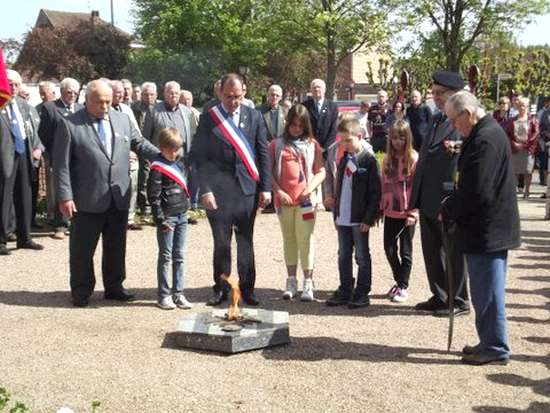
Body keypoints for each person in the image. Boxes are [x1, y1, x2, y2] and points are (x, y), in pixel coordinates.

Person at [53, 79, 159, 307]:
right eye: (99, 102)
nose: (104, 107)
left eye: (108, 102)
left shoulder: (122, 119)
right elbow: (61, 165)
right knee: (82, 249)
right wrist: (65, 196)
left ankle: (114, 286)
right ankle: (81, 290)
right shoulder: (70, 124)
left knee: (116, 247)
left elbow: (139, 143)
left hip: (117, 196)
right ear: (86, 100)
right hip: (86, 198)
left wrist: (162, 156)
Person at [441, 90, 520, 365]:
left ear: (468, 113)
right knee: (484, 290)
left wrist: (451, 207)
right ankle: (489, 340)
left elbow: (478, 190)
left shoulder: (485, 139)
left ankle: (495, 347)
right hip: (485, 227)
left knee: (488, 292)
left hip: (488, 230)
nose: (453, 126)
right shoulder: (484, 133)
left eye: (454, 120)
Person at [190, 73, 271, 306]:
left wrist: (266, 187)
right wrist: (205, 190)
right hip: (218, 192)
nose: (233, 101)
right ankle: (221, 288)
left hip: (247, 190)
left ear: (244, 92)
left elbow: (262, 153)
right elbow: (198, 157)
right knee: (222, 243)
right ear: (220, 93)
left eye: (237, 96)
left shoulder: (254, 116)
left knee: (245, 241)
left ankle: (247, 289)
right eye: (228, 96)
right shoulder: (209, 118)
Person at [409, 70, 470, 317]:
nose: (435, 97)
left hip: (448, 195)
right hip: (428, 195)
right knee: (432, 249)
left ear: (454, 93)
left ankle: (459, 299)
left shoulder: (463, 121)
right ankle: (440, 295)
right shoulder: (435, 119)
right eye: (433, 93)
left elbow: (462, 160)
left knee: (453, 249)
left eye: (440, 93)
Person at [269, 104, 325, 301]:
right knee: (289, 239)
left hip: (306, 202)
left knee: (306, 239)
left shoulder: (313, 145)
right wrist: (278, 191)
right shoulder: (276, 145)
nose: (296, 129)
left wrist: (309, 190)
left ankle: (308, 282)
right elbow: (268, 172)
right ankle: (291, 281)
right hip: (284, 201)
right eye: (293, 125)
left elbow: (321, 171)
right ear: (287, 124)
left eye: (301, 126)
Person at [324, 116, 381, 308]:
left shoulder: (368, 160)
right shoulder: (344, 159)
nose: (344, 144)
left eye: (348, 140)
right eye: (342, 140)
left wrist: (369, 218)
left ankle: (362, 292)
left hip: (359, 218)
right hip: (343, 217)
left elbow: (375, 192)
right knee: (343, 254)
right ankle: (345, 289)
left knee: (362, 256)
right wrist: (336, 214)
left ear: (359, 136)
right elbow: (339, 187)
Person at [147, 128, 193, 310]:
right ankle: (164, 295)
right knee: (166, 257)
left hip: (182, 214)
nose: (175, 153)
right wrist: (160, 220)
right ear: (162, 148)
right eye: (171, 150)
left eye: (177, 149)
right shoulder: (157, 168)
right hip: (167, 217)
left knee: (179, 256)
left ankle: (179, 293)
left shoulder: (180, 163)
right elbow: (154, 197)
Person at [0, 70, 44, 255]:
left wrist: (38, 147)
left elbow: (34, 129)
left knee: (25, 195)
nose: (13, 87)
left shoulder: (24, 105)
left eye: (16, 84)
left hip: (24, 153)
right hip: (4, 155)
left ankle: (24, 237)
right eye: (9, 83)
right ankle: (1, 239)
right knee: (4, 197)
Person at [38, 77, 83, 239]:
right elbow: (44, 135)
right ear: (62, 91)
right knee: (61, 190)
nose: (72, 95)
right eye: (69, 92)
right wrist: (51, 156)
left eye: (75, 93)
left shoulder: (81, 108)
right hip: (59, 156)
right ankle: (60, 225)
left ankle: (77, 223)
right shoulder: (50, 108)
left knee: (78, 189)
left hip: (79, 157)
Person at [380, 120, 419, 303]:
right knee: (389, 248)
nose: (398, 141)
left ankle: (403, 286)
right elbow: (383, 184)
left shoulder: (413, 159)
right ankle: (399, 280)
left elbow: (417, 188)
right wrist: (380, 208)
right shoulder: (387, 160)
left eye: (401, 138)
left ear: (407, 138)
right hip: (390, 211)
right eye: (395, 138)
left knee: (405, 251)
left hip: (407, 213)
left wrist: (414, 212)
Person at [111, 80, 143, 230]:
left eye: (121, 92)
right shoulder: (101, 110)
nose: (120, 95)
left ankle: (129, 218)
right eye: (117, 92)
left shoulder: (125, 109)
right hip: (114, 158)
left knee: (133, 186)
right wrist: (125, 151)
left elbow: (135, 133)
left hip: (130, 155)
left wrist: (134, 150)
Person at [505, 96, 539, 199]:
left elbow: (536, 134)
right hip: (515, 148)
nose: (521, 108)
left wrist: (525, 145)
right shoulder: (512, 120)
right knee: (515, 171)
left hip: (528, 149)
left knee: (527, 171)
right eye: (519, 106)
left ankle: (527, 191)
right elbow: (507, 134)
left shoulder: (533, 120)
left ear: (527, 107)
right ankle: (513, 191)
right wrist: (513, 143)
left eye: (523, 105)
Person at [303, 79, 339, 153]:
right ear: (311, 90)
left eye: (319, 87)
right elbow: (303, 127)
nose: (316, 89)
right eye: (314, 87)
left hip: (327, 149)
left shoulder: (332, 107)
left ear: (324, 90)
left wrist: (324, 148)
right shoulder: (304, 106)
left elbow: (333, 130)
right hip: (308, 148)